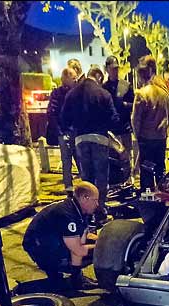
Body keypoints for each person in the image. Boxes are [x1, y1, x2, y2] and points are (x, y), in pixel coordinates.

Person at [61, 65, 119, 226]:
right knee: (101, 178)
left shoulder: (72, 94)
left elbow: (64, 118)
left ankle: (86, 213)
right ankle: (100, 212)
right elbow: (114, 119)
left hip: (80, 139)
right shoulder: (103, 93)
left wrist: (74, 127)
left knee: (86, 179)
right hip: (99, 138)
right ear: (99, 77)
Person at [22, 180, 99, 290]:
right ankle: (58, 272)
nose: (97, 204)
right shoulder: (67, 215)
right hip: (40, 249)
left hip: (49, 241)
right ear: (84, 198)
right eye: (95, 200)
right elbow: (78, 249)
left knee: (94, 244)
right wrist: (102, 247)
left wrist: (104, 239)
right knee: (96, 251)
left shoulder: (76, 208)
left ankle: (65, 275)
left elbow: (85, 234)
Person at [132, 59, 169, 191]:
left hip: (146, 139)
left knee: (147, 172)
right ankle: (162, 195)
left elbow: (136, 119)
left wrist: (137, 135)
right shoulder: (164, 94)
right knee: (160, 170)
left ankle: (147, 197)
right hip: (160, 138)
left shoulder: (141, 94)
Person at [46, 66, 78, 193]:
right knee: (67, 161)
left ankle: (83, 187)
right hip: (65, 131)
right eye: (73, 77)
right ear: (66, 78)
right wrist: (59, 131)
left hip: (74, 130)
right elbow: (51, 113)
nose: (75, 80)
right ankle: (69, 188)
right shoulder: (58, 93)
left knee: (79, 159)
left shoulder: (75, 91)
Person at [103, 54, 134, 167]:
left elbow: (134, 104)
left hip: (124, 128)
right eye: (112, 68)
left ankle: (129, 177)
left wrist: (125, 104)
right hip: (110, 130)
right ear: (107, 69)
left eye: (116, 68)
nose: (115, 71)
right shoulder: (103, 88)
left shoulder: (126, 85)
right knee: (112, 158)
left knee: (127, 156)